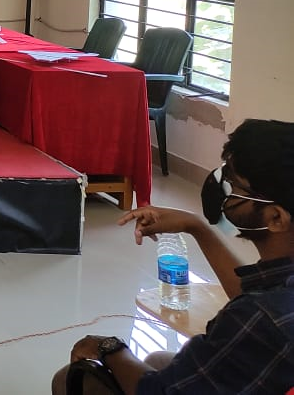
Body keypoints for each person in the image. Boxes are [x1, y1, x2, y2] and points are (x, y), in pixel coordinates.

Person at [51, 118, 294, 395]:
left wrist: (109, 347)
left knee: (72, 379)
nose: (222, 189)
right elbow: (256, 293)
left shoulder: (257, 318)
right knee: (158, 360)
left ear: (276, 218)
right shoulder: (273, 300)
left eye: (233, 186)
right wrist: (196, 226)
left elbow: (159, 390)